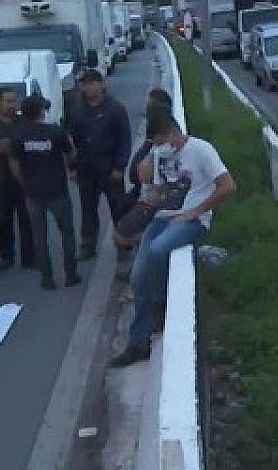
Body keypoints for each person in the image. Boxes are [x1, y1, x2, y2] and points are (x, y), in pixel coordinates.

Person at [110, 113, 236, 368]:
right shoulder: (160, 154)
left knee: (158, 249)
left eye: (159, 141)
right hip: (164, 216)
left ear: (171, 134)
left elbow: (227, 186)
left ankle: (159, 306)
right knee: (137, 278)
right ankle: (138, 343)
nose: (158, 147)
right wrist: (140, 211)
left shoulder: (200, 150)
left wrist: (196, 211)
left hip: (192, 220)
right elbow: (159, 191)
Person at [9, 95, 80, 290]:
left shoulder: (18, 135)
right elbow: (71, 153)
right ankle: (71, 275)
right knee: (67, 233)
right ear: (41, 111)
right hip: (57, 190)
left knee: (39, 236)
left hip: (33, 193)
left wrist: (26, 183)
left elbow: (14, 165)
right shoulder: (55, 132)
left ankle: (47, 278)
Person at [66, 69, 132, 260]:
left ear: (100, 84)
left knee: (118, 207)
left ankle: (123, 245)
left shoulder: (115, 109)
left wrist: (120, 166)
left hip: (110, 169)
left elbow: (124, 140)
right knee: (88, 208)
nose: (85, 88)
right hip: (86, 169)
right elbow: (72, 142)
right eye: (83, 84)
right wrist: (72, 168)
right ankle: (88, 244)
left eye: (89, 84)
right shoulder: (77, 111)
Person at [112, 89, 174, 273]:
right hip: (144, 193)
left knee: (122, 233)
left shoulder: (164, 143)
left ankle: (146, 241)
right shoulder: (155, 139)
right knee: (120, 213)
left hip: (151, 199)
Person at [0, 87, 34, 271]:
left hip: (23, 178)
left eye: (14, 100)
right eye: (8, 101)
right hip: (0, 180)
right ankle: (6, 255)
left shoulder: (23, 121)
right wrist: (18, 143)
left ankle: (29, 257)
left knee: (27, 219)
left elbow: (30, 142)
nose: (13, 104)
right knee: (0, 220)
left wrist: (9, 143)